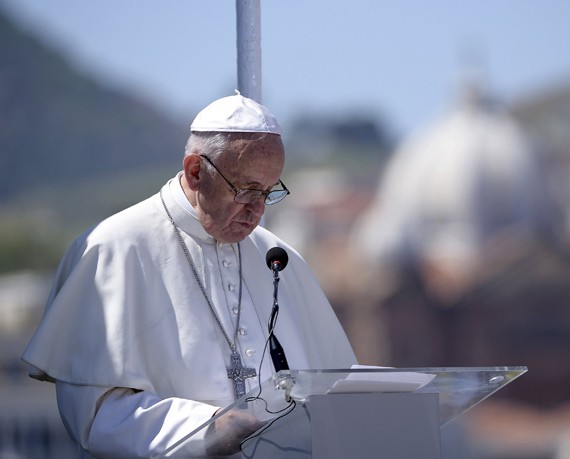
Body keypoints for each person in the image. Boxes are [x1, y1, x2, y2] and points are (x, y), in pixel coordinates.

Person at [22, 93, 357, 458]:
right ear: (196, 171)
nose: (257, 210)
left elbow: (330, 389)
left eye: (268, 192)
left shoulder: (277, 256)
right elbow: (93, 413)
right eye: (245, 190)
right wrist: (209, 427)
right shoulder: (113, 248)